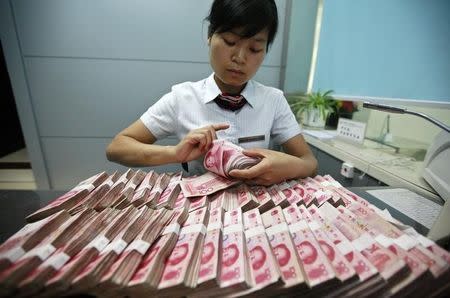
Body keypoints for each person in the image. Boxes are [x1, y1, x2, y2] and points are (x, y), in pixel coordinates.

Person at [106, 0, 317, 185]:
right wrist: (174, 153)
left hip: (258, 215)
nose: (240, 58)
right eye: (230, 42)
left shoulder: (273, 100)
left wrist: (289, 167)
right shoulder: (182, 98)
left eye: (254, 49)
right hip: (200, 216)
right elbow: (117, 148)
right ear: (210, 36)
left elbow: (309, 162)